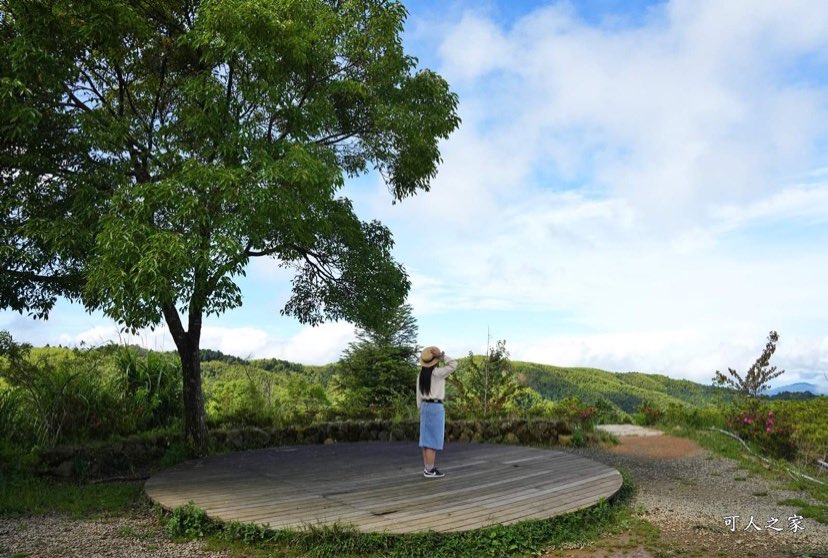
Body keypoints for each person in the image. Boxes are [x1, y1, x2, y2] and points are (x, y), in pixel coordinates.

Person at [417, 346, 457, 478]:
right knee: (433, 441)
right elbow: (453, 364)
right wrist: (442, 355)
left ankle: (427, 468)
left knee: (426, 441)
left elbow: (418, 396)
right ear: (435, 360)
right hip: (435, 407)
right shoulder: (438, 373)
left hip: (424, 407)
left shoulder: (420, 376)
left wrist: (420, 409)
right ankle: (430, 470)